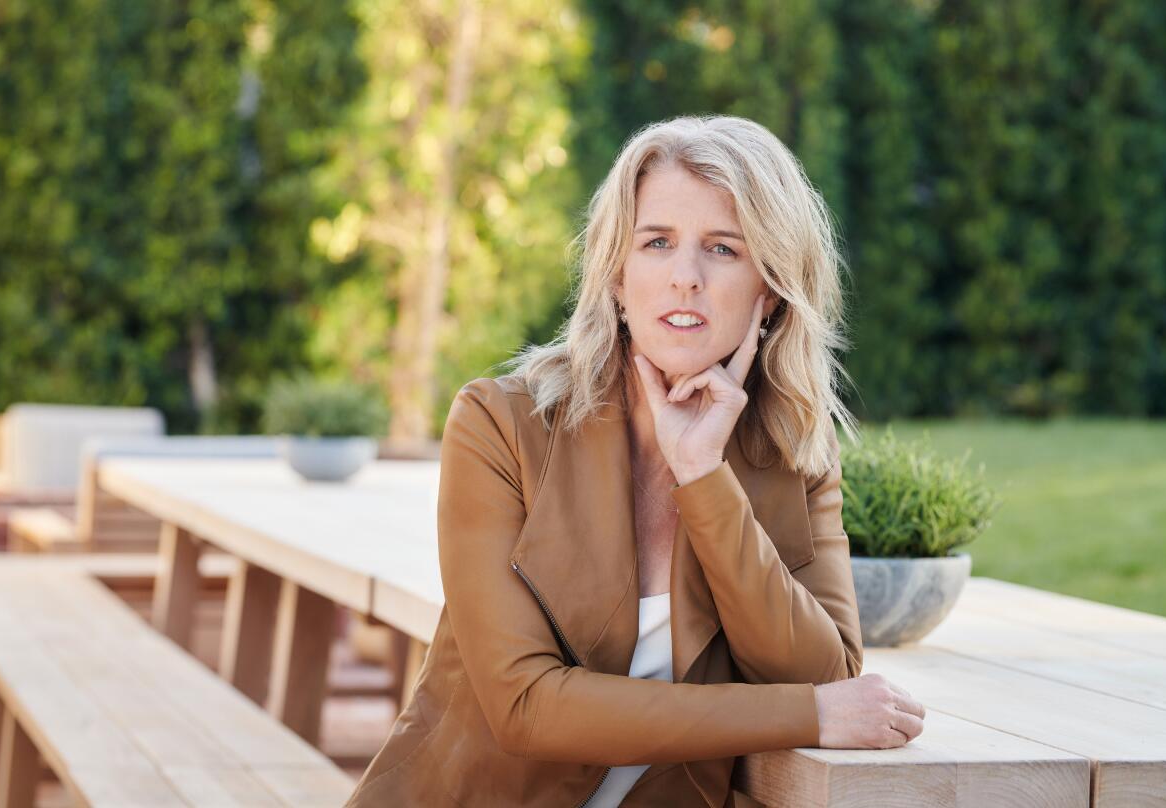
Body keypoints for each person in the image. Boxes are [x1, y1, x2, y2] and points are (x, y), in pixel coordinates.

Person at [343, 114, 925, 808]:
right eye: (657, 243)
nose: (686, 278)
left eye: (723, 249)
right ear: (618, 277)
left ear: (768, 292)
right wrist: (808, 715)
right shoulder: (500, 426)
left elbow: (825, 669)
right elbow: (526, 705)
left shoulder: (795, 450)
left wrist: (705, 478)